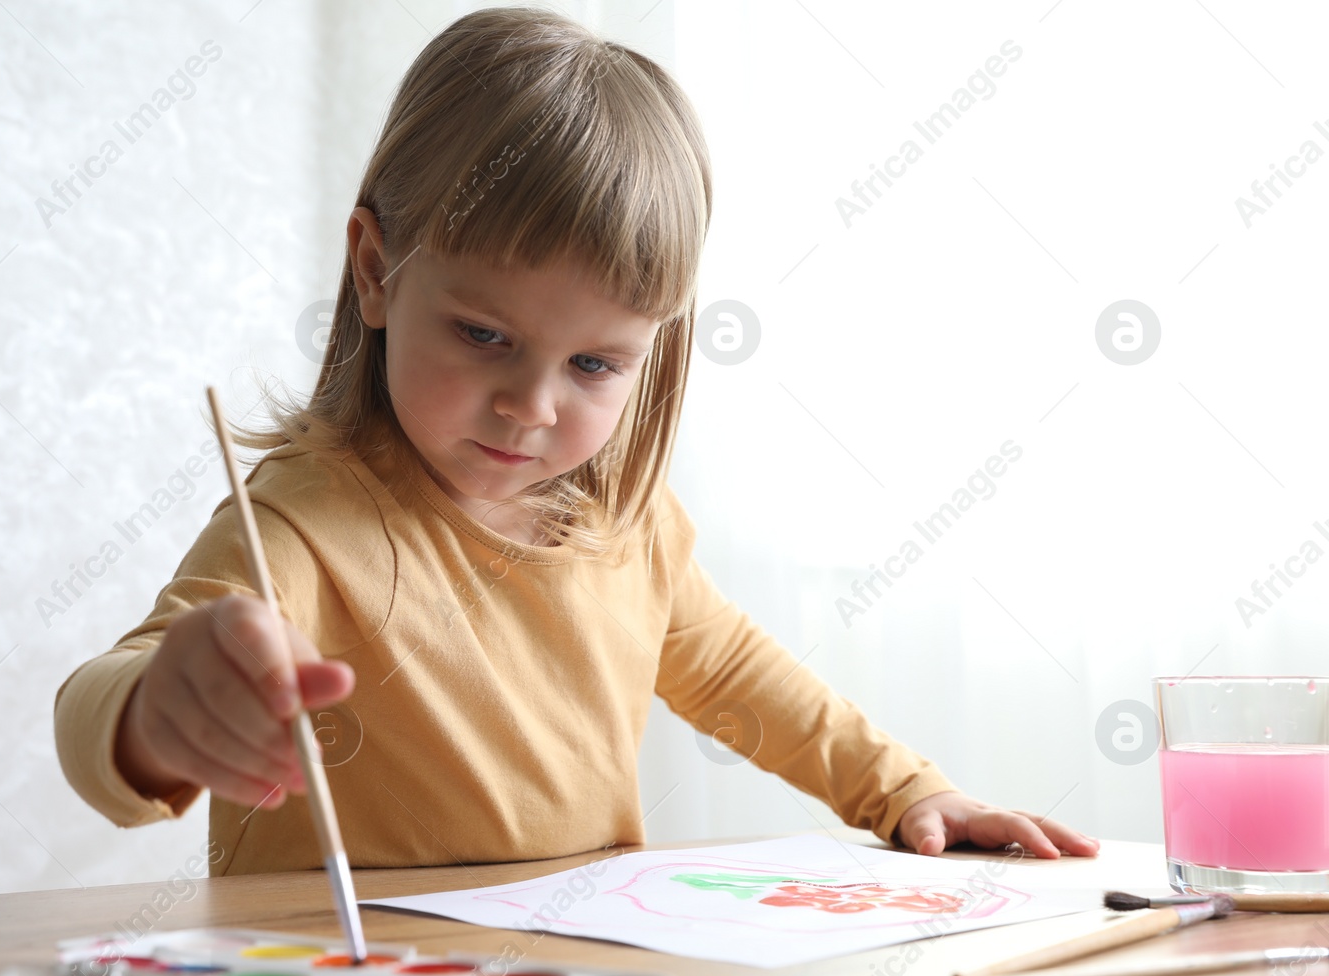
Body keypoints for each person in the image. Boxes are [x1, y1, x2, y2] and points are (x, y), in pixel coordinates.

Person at [54, 5, 1098, 876]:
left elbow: (743, 679)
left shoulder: (623, 525)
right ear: (375, 271)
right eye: (483, 335)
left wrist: (907, 790)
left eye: (594, 364)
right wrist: (154, 710)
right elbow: (104, 703)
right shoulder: (306, 513)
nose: (532, 406)